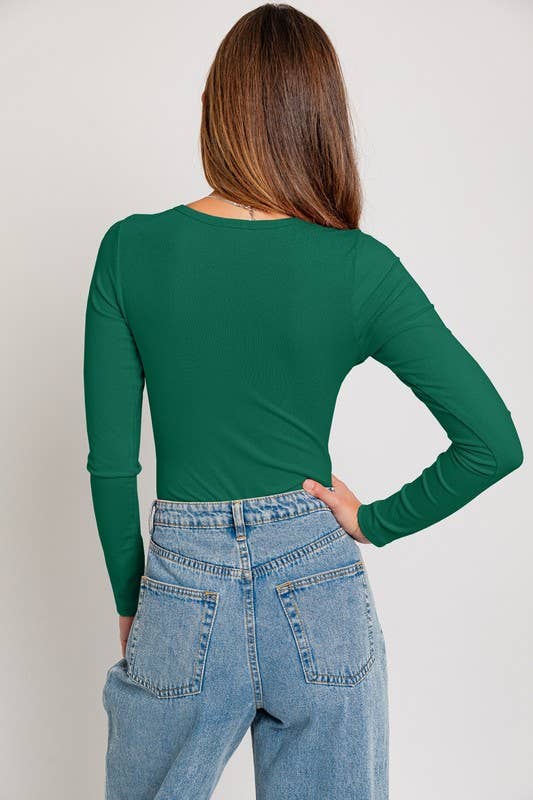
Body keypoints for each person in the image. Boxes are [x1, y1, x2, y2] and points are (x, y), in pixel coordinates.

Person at [83, 4, 523, 799]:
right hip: (314, 580)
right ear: (320, 119)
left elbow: (113, 464)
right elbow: (492, 442)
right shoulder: (357, 267)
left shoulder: (130, 250)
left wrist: (132, 598)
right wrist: (375, 521)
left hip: (180, 586)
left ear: (215, 108)